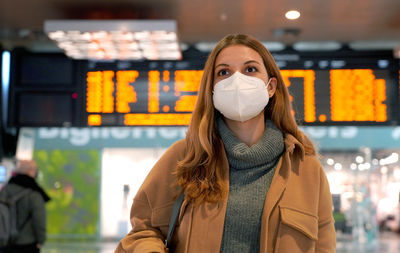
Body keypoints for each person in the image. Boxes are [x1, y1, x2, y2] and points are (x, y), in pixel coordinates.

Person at [115, 34, 336, 253]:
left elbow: (324, 247)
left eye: (250, 69)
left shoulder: (306, 169)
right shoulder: (184, 157)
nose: (237, 80)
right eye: (224, 72)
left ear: (270, 87)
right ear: (212, 90)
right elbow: (144, 230)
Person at [1, 160, 50, 253]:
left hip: (5, 241)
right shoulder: (34, 194)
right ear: (31, 171)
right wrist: (41, 240)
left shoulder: (5, 190)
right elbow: (39, 220)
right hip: (27, 243)